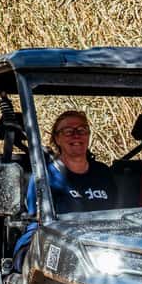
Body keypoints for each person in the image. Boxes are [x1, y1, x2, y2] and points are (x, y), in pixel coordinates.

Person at [12, 110, 116, 272]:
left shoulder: (103, 172)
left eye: (81, 130)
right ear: (57, 139)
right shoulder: (44, 176)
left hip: (101, 243)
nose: (76, 136)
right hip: (52, 240)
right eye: (68, 132)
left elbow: (117, 215)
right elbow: (40, 220)